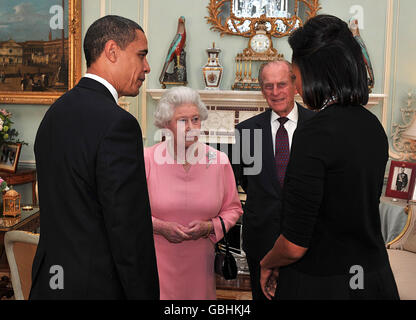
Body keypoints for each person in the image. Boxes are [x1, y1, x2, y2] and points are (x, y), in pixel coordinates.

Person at [260, 14, 399, 300]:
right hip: (371, 278)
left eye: (295, 78)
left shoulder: (315, 133)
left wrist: (267, 262)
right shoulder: (372, 125)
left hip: (324, 283)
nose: (296, 89)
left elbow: (294, 245)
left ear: (315, 72)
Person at [30, 15, 159, 299]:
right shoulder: (118, 124)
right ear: (112, 51)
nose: (147, 67)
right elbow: (128, 230)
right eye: (141, 55)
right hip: (97, 286)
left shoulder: (54, 114)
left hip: (51, 283)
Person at [144, 86, 243, 300]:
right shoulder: (147, 160)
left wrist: (209, 227)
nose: (191, 127)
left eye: (196, 119)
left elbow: (233, 209)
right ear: (166, 124)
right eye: (182, 121)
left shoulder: (218, 161)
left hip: (202, 267)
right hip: (156, 265)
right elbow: (129, 211)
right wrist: (160, 227)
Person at [234, 59, 315, 300]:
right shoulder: (247, 131)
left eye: (281, 84)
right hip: (261, 239)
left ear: (295, 85)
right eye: (268, 86)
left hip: (306, 240)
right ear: (262, 90)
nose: (276, 92)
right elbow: (246, 181)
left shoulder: (317, 128)